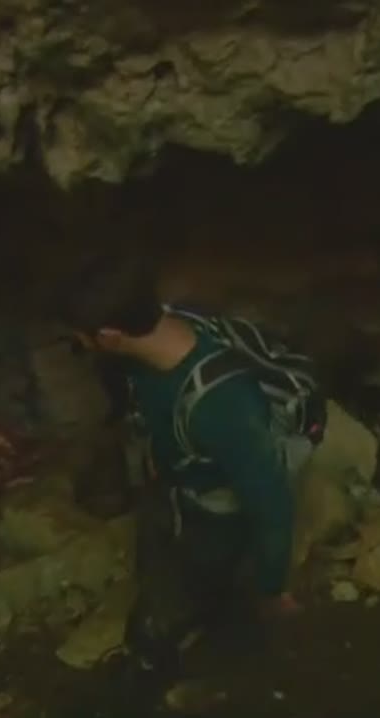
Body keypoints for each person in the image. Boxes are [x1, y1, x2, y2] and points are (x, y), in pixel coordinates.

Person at [63, 257, 313, 709]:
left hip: (213, 515)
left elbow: (272, 503)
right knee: (162, 552)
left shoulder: (223, 405)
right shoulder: (174, 325)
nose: (78, 345)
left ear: (111, 337)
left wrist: (274, 588)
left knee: (169, 608)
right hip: (178, 480)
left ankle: (160, 676)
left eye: (82, 338)